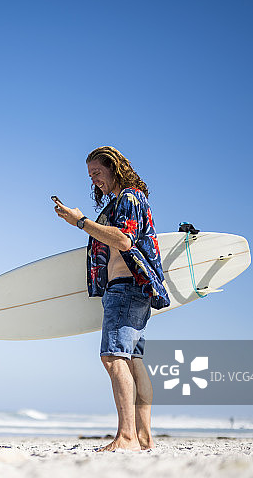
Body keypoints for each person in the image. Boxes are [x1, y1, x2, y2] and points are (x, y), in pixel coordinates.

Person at [55, 146, 170, 451]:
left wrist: (79, 222)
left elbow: (122, 239)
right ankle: (144, 436)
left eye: (97, 173)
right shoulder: (122, 202)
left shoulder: (130, 197)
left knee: (113, 357)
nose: (94, 180)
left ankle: (128, 437)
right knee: (132, 361)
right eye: (90, 176)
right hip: (132, 288)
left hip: (127, 287)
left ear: (113, 169)